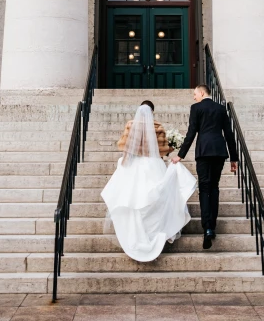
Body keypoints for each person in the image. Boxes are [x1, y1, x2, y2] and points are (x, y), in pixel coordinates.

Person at [101, 101, 197, 262]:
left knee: (133, 198)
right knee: (156, 195)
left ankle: (136, 232)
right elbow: (163, 151)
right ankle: (155, 230)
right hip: (152, 164)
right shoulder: (157, 126)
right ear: (152, 111)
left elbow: (125, 147)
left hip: (135, 164)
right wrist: (172, 146)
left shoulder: (131, 125)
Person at [171, 84, 239, 250]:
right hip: (219, 151)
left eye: (195, 94)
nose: (194, 97)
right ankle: (212, 227)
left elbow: (191, 132)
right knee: (214, 188)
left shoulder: (196, 108)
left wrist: (180, 155)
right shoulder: (221, 108)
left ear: (202, 93)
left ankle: (207, 227)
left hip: (203, 152)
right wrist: (234, 158)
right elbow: (229, 134)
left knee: (204, 188)